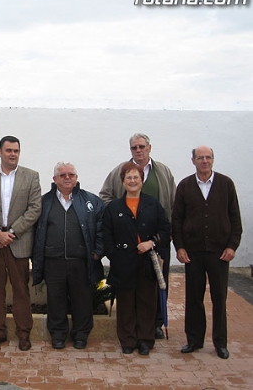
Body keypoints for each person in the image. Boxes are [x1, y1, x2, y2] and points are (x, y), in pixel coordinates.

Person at [99, 132, 175, 339]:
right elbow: (104, 195)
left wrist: (162, 238)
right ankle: (129, 332)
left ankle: (155, 324)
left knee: (155, 285)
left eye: (142, 146)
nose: (138, 150)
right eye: (134, 147)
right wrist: (117, 214)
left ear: (149, 148)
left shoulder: (164, 172)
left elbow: (172, 204)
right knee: (127, 290)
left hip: (155, 243)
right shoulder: (119, 171)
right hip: (126, 245)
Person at [172, 146, 242, 360]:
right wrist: (180, 247)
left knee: (219, 297)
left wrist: (232, 246)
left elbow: (235, 218)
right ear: (193, 160)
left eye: (208, 157)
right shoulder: (185, 185)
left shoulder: (226, 184)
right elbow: (177, 219)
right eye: (200, 157)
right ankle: (194, 339)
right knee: (193, 297)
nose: (204, 161)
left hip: (219, 252)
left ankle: (220, 342)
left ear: (213, 160)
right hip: (192, 252)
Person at [32, 162, 105, 350]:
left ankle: (81, 335)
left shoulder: (91, 201)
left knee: (82, 300)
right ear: (54, 179)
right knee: (56, 300)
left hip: (81, 261)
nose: (67, 178)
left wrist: (97, 252)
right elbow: (34, 231)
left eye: (71, 174)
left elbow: (102, 228)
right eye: (62, 175)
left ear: (76, 178)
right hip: (53, 262)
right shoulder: (43, 202)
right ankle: (58, 334)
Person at [0, 135, 42, 351]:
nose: (13, 154)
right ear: (0, 152)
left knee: (21, 290)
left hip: (19, 242)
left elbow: (35, 208)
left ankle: (23, 333)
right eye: (8, 150)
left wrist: (11, 232)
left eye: (16, 150)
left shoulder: (31, 177)